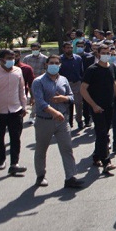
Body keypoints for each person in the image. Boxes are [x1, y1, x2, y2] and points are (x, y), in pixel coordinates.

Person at [31, 54, 84, 188]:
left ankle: (70, 177)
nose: (54, 65)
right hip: (44, 120)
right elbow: (40, 102)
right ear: (46, 65)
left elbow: (71, 96)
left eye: (56, 63)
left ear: (60, 65)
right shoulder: (38, 81)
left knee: (67, 148)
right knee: (41, 149)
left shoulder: (63, 80)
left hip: (62, 121)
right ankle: (40, 176)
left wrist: (63, 98)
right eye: (51, 63)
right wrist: (54, 112)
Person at [81, 45, 116, 176]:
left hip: (109, 105)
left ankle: (96, 156)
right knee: (102, 134)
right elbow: (83, 89)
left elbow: (114, 83)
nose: (106, 55)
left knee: (104, 132)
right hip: (97, 107)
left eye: (108, 53)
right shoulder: (92, 69)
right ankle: (106, 162)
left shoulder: (111, 67)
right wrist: (94, 105)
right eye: (104, 53)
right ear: (98, 54)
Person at [0, 49, 28, 174]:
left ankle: (14, 163)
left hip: (15, 110)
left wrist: (24, 106)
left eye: (13, 58)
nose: (12, 60)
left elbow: (21, 89)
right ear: (1, 60)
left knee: (15, 137)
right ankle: (1, 159)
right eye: (9, 58)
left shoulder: (18, 71)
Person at [58, 42, 85, 129]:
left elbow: (81, 71)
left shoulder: (78, 58)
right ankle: (68, 122)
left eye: (71, 47)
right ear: (63, 49)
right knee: (67, 104)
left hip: (77, 83)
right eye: (67, 48)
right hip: (65, 84)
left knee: (79, 104)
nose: (69, 49)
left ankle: (79, 120)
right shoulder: (60, 59)